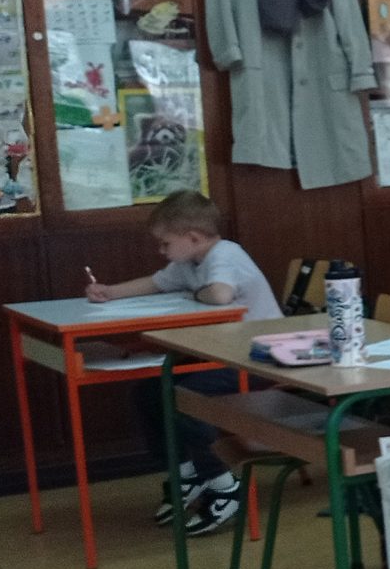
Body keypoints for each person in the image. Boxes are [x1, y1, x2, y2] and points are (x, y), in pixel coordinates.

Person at [92, 190, 280, 534]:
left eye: (165, 243)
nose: (161, 251)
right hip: (224, 356)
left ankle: (224, 484)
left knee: (185, 398)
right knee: (148, 393)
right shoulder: (189, 261)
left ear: (193, 238)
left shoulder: (225, 254)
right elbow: (156, 283)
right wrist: (110, 291)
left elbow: (220, 294)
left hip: (258, 359)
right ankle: (187, 473)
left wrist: (195, 293)